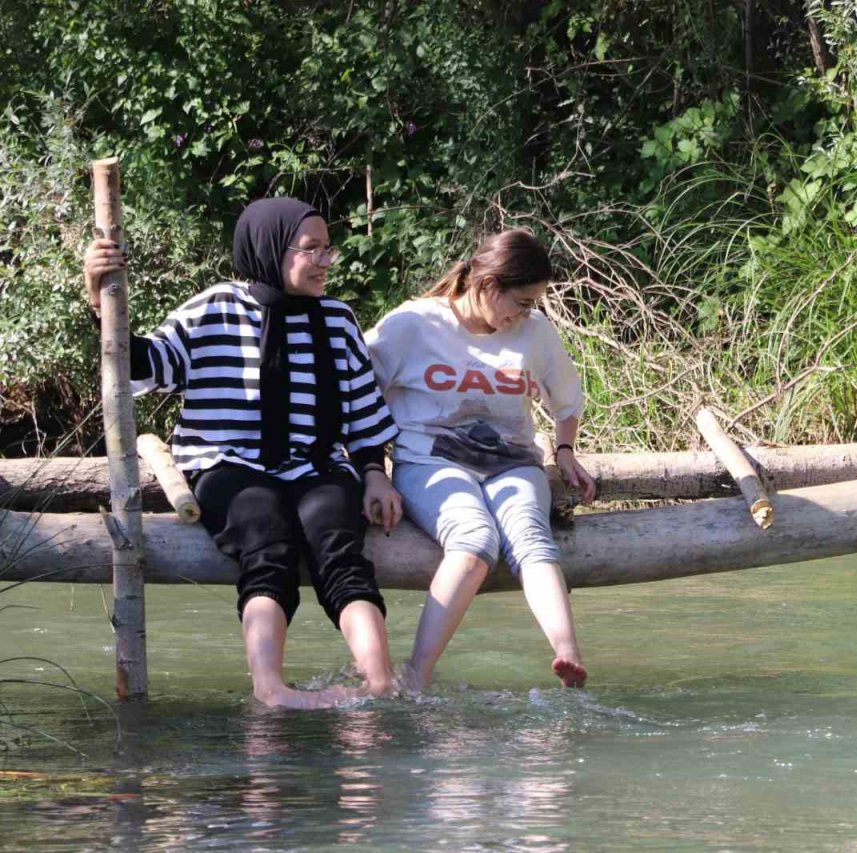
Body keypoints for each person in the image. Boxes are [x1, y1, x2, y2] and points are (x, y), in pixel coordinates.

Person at [83, 197, 403, 709]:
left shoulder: (338, 320)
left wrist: (374, 475)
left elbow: (364, 417)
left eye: (328, 250)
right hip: (226, 462)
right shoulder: (214, 309)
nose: (325, 261)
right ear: (270, 249)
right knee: (267, 538)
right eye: (311, 249)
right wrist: (101, 300)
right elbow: (142, 363)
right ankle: (271, 688)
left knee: (338, 544)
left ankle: (379, 683)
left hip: (317, 464)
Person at [366, 228, 595, 690]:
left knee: (531, 534)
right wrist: (371, 470)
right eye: (524, 301)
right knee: (473, 542)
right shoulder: (413, 324)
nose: (526, 312)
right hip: (430, 461)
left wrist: (566, 449)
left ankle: (567, 654)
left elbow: (567, 400)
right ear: (489, 285)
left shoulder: (535, 334)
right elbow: (358, 393)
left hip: (513, 462)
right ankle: (415, 678)